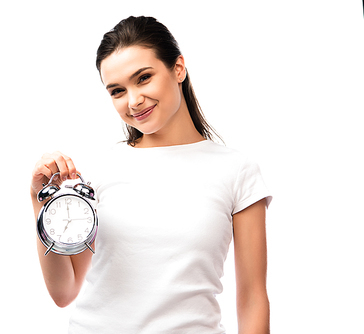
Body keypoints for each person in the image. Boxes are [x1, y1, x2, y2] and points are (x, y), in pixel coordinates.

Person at [31, 16, 272, 334]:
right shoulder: (102, 168)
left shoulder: (237, 171)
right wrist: (40, 200)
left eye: (143, 78)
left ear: (178, 69)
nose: (133, 101)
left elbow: (253, 297)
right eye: (117, 91)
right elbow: (64, 292)